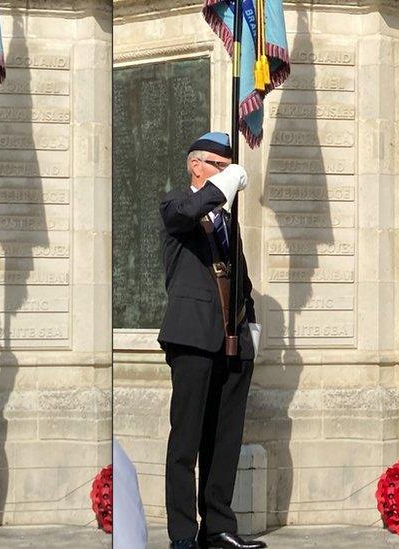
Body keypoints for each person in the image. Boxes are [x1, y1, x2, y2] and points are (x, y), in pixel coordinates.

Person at [158, 132, 264, 549]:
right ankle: (183, 533)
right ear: (195, 165)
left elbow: (239, 276)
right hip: (192, 338)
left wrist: (249, 323)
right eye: (220, 168)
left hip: (231, 341)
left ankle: (218, 527)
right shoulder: (176, 204)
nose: (229, 177)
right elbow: (187, 212)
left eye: (230, 168)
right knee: (186, 441)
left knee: (224, 439)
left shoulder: (224, 219)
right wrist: (222, 186)